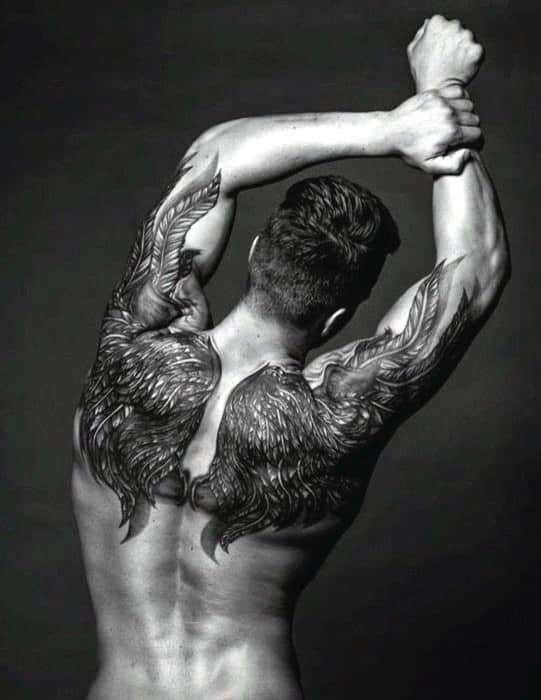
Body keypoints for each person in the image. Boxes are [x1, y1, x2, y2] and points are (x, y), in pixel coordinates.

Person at [73, 15, 509, 700]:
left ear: (253, 253)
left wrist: (389, 129)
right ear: (338, 319)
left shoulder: (133, 348)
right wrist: (439, 89)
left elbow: (216, 157)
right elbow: (475, 270)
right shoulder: (336, 413)